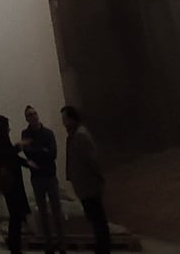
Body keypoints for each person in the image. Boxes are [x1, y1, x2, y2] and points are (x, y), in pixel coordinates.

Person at [61, 106, 111, 254]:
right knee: (94, 217)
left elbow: (92, 160)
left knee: (98, 219)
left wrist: (99, 178)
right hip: (83, 184)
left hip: (89, 184)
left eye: (64, 118)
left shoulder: (81, 136)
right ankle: (101, 245)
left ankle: (104, 248)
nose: (63, 122)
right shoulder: (73, 136)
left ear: (71, 119)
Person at [21, 105, 65, 251]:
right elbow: (28, 153)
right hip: (37, 177)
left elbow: (52, 153)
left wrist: (37, 153)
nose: (33, 116)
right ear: (27, 118)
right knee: (43, 212)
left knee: (57, 211)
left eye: (34, 113)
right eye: (30, 115)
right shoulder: (25, 134)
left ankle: (61, 243)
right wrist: (43, 151)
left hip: (50, 175)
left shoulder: (48, 133)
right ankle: (48, 244)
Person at [0, 114, 31, 254]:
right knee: (16, 214)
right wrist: (19, 147)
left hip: (9, 181)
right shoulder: (1, 141)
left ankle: (14, 245)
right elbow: (9, 155)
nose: (9, 129)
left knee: (15, 214)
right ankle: (15, 246)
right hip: (11, 182)